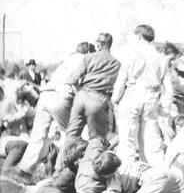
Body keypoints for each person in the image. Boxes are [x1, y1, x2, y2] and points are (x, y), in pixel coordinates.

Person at [18, 42, 92, 177]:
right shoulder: (85, 59)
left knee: (37, 138)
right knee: (72, 135)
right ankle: (61, 171)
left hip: (45, 95)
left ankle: (23, 171)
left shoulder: (68, 60)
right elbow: (78, 85)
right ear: (88, 52)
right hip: (61, 94)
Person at [57, 33, 121, 171]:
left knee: (71, 135)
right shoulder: (116, 63)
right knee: (96, 141)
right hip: (99, 99)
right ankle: (90, 173)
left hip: (81, 96)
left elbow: (71, 79)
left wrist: (83, 90)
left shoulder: (88, 57)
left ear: (98, 44)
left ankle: (59, 170)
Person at [112, 25, 173, 168]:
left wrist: (115, 98)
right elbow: (168, 89)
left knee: (127, 139)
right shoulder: (162, 58)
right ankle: (157, 176)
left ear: (139, 37)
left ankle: (126, 176)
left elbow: (121, 80)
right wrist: (164, 108)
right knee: (152, 140)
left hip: (132, 95)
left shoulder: (131, 55)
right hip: (151, 97)